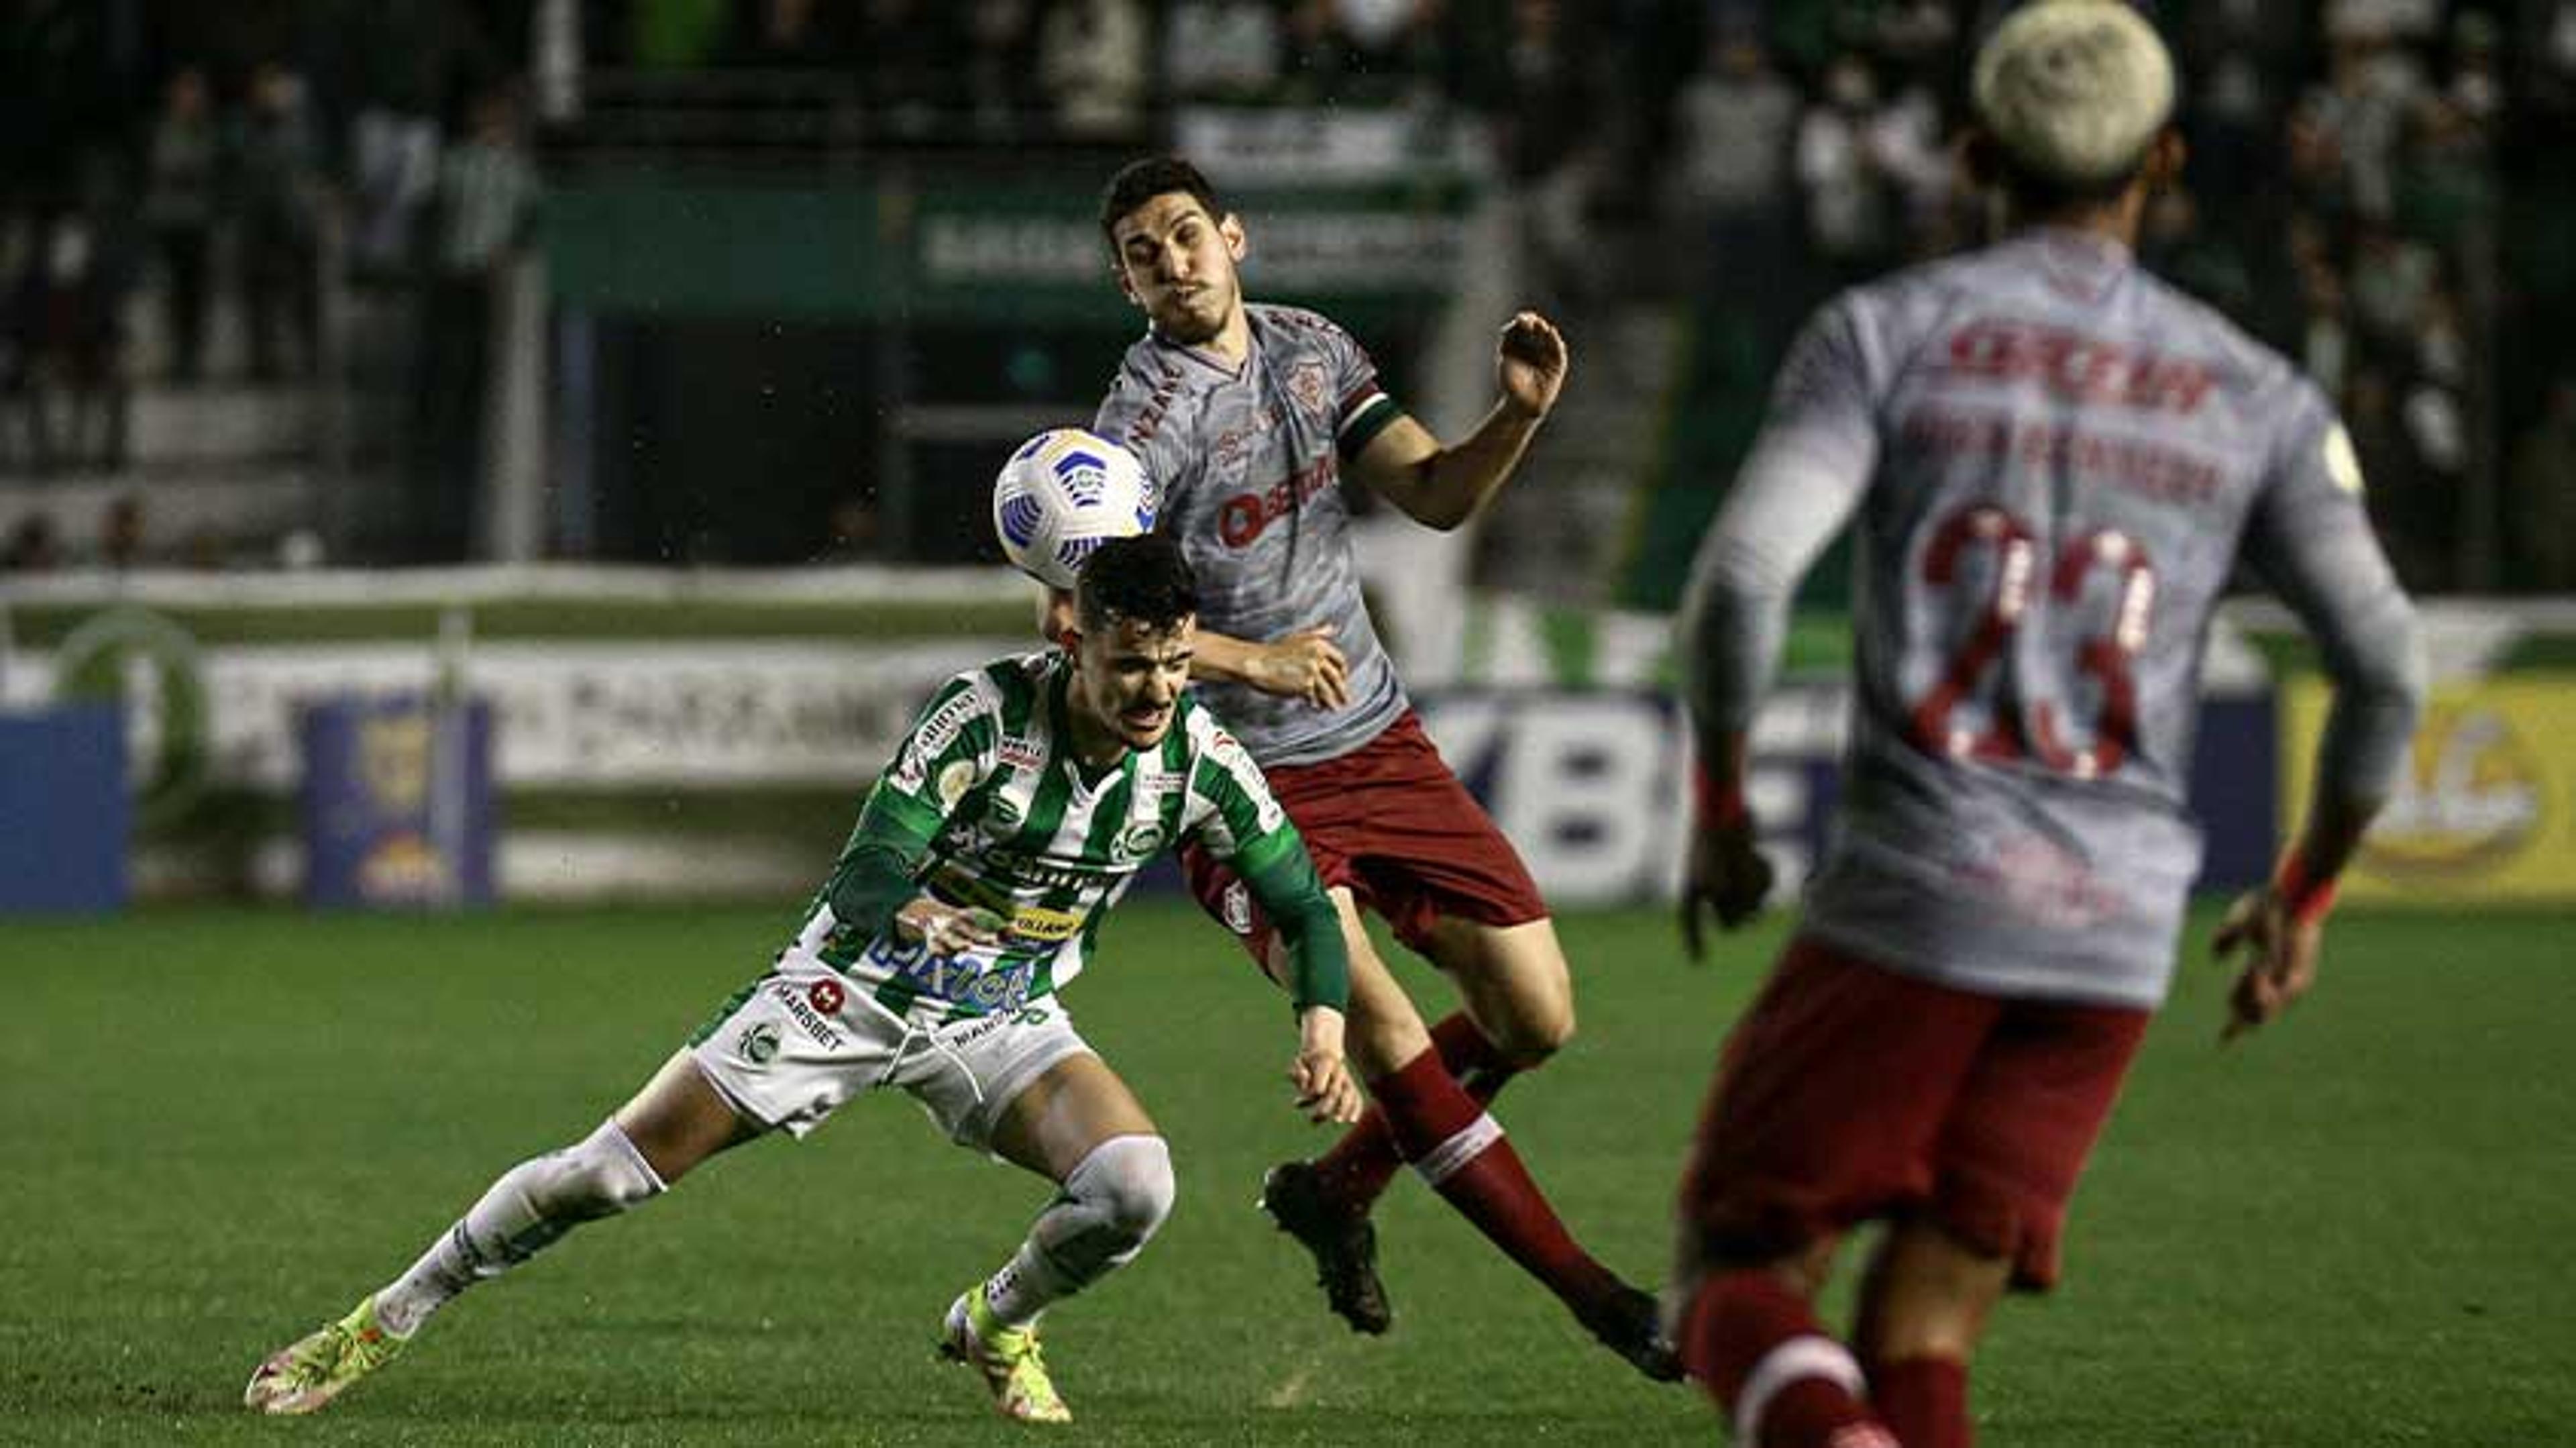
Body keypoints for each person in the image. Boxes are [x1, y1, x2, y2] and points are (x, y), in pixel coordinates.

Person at [1666, 6, 2427, 1447]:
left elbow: (1744, 579)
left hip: (1923, 894)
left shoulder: (1887, 334)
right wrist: (2306, 891)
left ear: (1970, 157)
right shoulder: (2253, 390)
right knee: (1928, 1320)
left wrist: (1719, 808)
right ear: (2167, 163)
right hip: (2118, 932)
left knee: (1734, 1269)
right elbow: (2385, 662)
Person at [244, 535, 1363, 1425]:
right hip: (853, 982)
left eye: (1175, 663)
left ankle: (997, 1323)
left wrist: (1321, 1023)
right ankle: (385, 1316)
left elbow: (1305, 902)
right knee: (606, 1177)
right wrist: (913, 907)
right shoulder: (982, 716)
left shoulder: (1199, 761)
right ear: (1075, 640)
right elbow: (871, 860)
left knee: (1136, 1186)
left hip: (999, 1012)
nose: (1157, 689)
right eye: (1132, 664)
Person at [1077, 153, 1677, 1378]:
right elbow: (1083, 622)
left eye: (1187, 234)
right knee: (1388, 1029)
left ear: (1233, 237)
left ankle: (1336, 1193)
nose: (1173, 262)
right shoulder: (1137, 429)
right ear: (1127, 284)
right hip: (1238, 780)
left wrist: (1516, 416)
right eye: (1144, 253)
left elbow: (1436, 497)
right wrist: (1251, 661)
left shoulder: (1313, 350)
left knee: (1537, 1015)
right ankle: (1601, 1297)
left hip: (1378, 739)